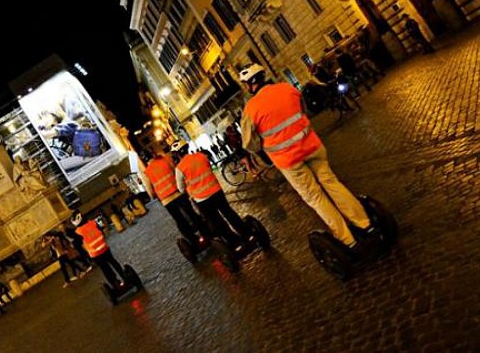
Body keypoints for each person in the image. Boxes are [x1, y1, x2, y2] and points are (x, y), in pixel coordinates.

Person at [238, 64, 374, 256]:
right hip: (311, 146)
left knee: (315, 197)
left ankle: (348, 240)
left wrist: (264, 142)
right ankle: (364, 223)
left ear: (248, 85)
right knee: (331, 182)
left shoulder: (250, 109)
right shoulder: (287, 88)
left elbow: (250, 145)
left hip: (289, 161)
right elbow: (303, 111)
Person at [172, 140, 254, 252]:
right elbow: (208, 168)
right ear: (187, 147)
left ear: (176, 154)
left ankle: (236, 244)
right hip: (216, 191)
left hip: (202, 199)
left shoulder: (179, 169)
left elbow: (181, 189)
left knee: (218, 222)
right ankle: (248, 235)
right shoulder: (201, 156)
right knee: (229, 213)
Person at [144, 147, 208, 247]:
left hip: (166, 200)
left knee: (180, 220)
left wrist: (157, 193)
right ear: (151, 154)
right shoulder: (165, 159)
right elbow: (176, 172)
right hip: (178, 193)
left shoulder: (146, 173)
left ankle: (194, 241)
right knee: (191, 213)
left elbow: (151, 193)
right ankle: (206, 233)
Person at [72, 211, 126, 287]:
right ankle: (124, 276)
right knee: (113, 262)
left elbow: (78, 246)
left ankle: (115, 283)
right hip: (104, 247)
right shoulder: (93, 223)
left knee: (105, 269)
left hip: (95, 254)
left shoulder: (78, 232)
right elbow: (101, 231)